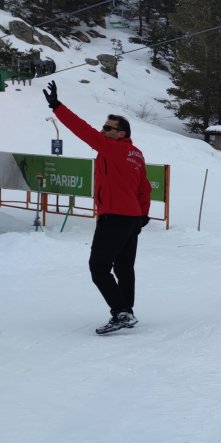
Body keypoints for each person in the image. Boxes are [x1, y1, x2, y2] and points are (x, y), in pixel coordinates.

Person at [42, 81, 152, 335]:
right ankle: (127, 310)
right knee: (124, 267)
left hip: (114, 216)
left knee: (98, 267)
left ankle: (121, 312)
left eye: (107, 128)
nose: (102, 131)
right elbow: (144, 187)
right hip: (131, 218)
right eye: (103, 127)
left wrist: (57, 106)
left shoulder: (111, 148)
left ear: (120, 133)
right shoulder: (136, 154)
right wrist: (143, 214)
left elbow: (82, 130)